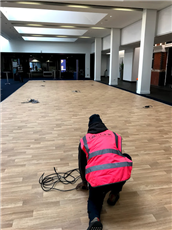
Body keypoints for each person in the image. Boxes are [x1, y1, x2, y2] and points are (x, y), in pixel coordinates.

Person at [76, 114, 133, 230]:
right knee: (126, 157)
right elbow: (116, 156)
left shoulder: (85, 139)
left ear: (89, 127)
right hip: (118, 174)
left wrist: (85, 182)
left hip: (98, 180)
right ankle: (114, 193)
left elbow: (82, 165)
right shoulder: (115, 135)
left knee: (94, 200)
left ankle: (94, 219)